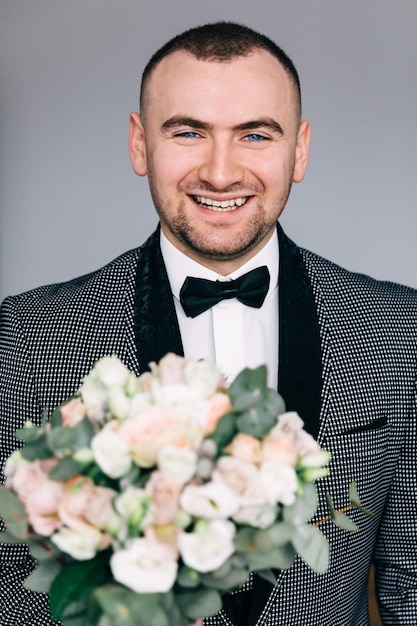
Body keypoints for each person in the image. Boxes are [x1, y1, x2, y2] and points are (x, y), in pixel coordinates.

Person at [1, 21, 416, 626]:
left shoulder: (400, 330)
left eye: (254, 135)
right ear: (140, 143)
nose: (221, 173)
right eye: (189, 132)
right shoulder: (21, 338)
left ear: (298, 150)